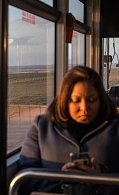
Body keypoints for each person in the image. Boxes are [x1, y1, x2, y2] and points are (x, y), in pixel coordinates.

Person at [18, 65, 119, 194]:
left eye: (92, 100)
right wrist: (61, 180)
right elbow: (26, 177)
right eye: (76, 101)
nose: (85, 108)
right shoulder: (41, 126)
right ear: (64, 100)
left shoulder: (115, 128)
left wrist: (100, 177)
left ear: (101, 99)